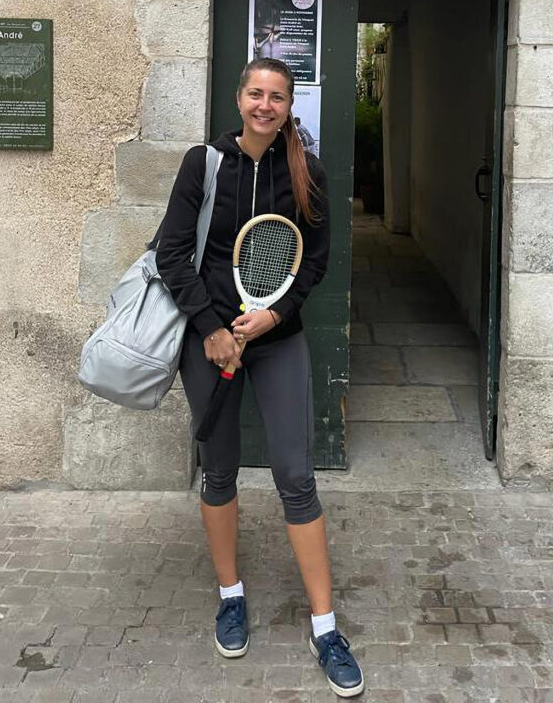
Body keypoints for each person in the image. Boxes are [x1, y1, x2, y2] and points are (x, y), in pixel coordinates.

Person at [155, 58, 364, 698]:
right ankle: (231, 595)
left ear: (289, 105)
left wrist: (272, 317)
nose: (264, 104)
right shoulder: (204, 164)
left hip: (277, 343)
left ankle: (325, 627)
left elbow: (314, 264)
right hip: (208, 342)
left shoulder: (309, 174)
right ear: (239, 98)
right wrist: (213, 330)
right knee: (218, 470)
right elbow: (171, 252)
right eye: (255, 93)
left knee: (296, 477)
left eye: (276, 96)